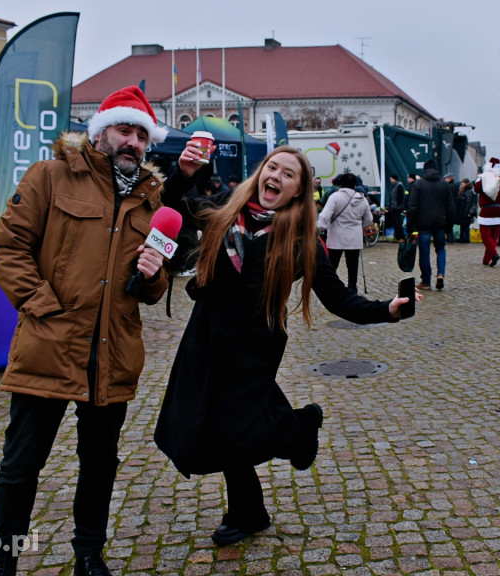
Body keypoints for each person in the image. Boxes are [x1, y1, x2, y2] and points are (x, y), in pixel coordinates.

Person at [153, 144, 419, 547]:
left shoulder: (302, 241)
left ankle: (261, 487)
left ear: (299, 190)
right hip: (206, 337)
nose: (274, 176)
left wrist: (389, 309)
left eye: (287, 174)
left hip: (252, 348)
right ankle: (282, 456)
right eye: (271, 167)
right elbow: (172, 203)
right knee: (206, 421)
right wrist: (184, 172)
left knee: (229, 428)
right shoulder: (226, 207)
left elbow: (338, 298)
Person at [0, 85, 172, 576]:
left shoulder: (152, 205)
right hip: (50, 343)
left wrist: (155, 275)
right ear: (101, 132)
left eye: (141, 135)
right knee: (23, 462)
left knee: (99, 464)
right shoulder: (50, 177)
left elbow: (152, 291)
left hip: (112, 352)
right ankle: (4, 560)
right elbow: (7, 247)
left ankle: (89, 554)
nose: (132, 142)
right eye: (123, 130)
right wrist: (41, 306)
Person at [318, 172, 373, 290]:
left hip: (336, 237)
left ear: (341, 183)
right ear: (355, 184)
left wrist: (319, 228)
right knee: (353, 265)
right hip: (354, 238)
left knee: (332, 264)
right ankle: (352, 288)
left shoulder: (335, 197)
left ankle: (331, 287)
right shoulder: (362, 199)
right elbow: (369, 220)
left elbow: (324, 216)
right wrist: (358, 226)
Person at [407, 158, 456, 290]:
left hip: (423, 224)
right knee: (441, 249)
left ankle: (426, 281)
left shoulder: (418, 184)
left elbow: (412, 207)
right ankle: (440, 274)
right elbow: (451, 207)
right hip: (440, 223)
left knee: (424, 252)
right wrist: (449, 226)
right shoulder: (444, 185)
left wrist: (410, 227)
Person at [474, 158, 500, 266]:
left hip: (486, 209)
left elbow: (476, 189)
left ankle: (494, 254)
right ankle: (486, 260)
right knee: (494, 237)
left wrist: (478, 180)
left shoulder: (484, 177)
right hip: (499, 209)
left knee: (486, 236)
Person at [455, 178, 476, 243]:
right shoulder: (467, 190)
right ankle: (463, 238)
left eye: (463, 183)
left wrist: (466, 212)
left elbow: (468, 202)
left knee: (465, 225)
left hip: (465, 211)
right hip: (463, 211)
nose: (462, 184)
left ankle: (465, 238)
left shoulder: (468, 191)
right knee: (463, 225)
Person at [388, 174, 406, 241]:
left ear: (394, 179)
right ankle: (398, 237)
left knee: (398, 223)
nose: (390, 180)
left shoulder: (398, 186)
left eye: (391, 179)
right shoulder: (394, 186)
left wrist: (397, 206)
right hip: (394, 207)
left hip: (397, 208)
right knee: (396, 223)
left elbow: (400, 197)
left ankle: (401, 237)